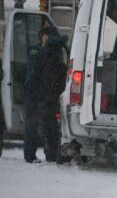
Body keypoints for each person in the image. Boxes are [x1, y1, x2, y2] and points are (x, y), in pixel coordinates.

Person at [24, 26, 67, 163]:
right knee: (32, 125)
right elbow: (35, 68)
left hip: (49, 96)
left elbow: (60, 71)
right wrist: (44, 47)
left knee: (51, 127)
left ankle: (52, 155)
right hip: (34, 95)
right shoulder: (35, 50)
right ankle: (30, 156)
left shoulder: (55, 52)